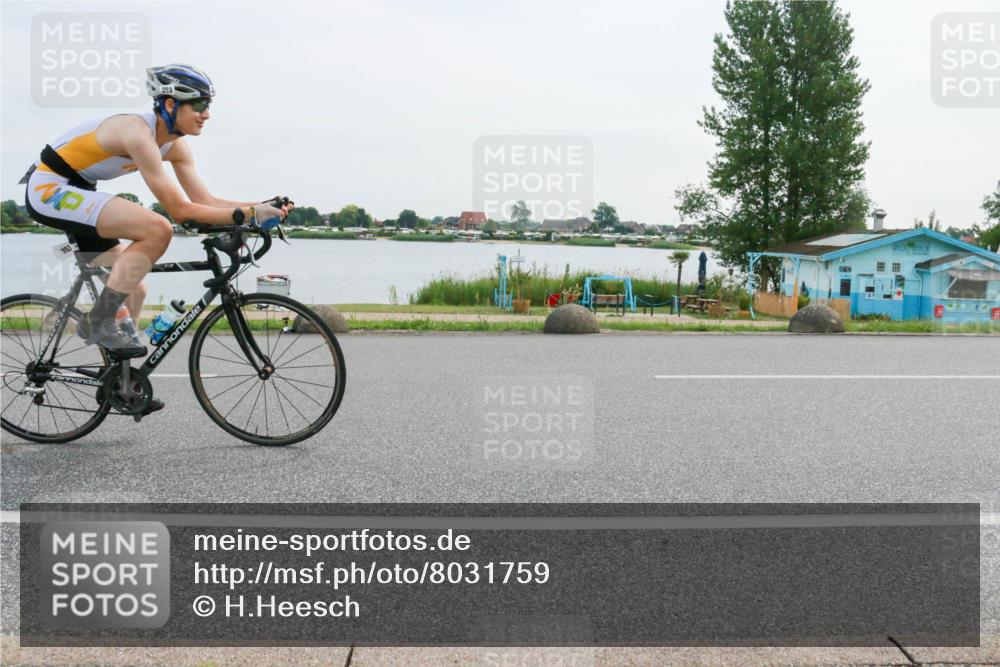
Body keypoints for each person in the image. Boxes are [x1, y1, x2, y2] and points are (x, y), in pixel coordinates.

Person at [21, 64, 291, 414]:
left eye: (208, 105)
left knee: (136, 289)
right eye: (198, 105)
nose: (206, 114)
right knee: (157, 228)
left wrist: (260, 206)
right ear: (168, 105)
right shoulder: (136, 133)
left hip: (82, 190)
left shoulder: (176, 147)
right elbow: (180, 211)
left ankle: (119, 385)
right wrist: (251, 215)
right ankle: (98, 322)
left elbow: (204, 203)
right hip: (49, 188)